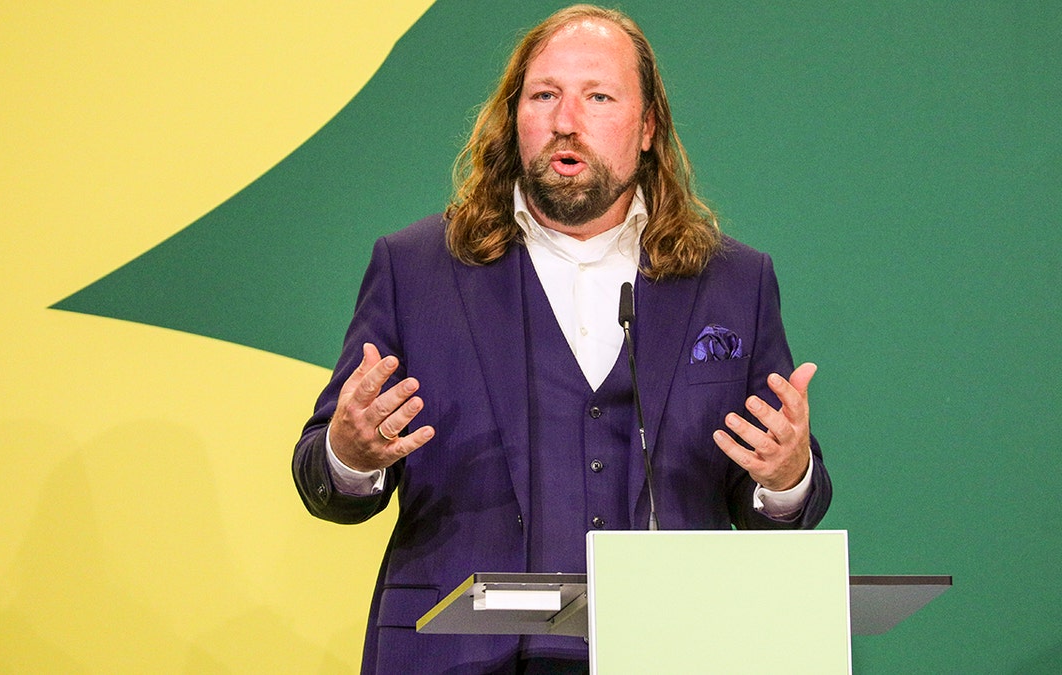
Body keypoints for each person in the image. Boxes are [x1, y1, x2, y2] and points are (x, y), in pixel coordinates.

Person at [293, 4, 831, 672]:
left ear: (647, 128)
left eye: (597, 96)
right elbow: (323, 476)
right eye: (544, 95)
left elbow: (780, 500)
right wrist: (351, 454)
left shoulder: (732, 282)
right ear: (514, 116)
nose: (565, 120)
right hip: (453, 656)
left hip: (669, 649)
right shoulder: (415, 268)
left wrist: (784, 478)